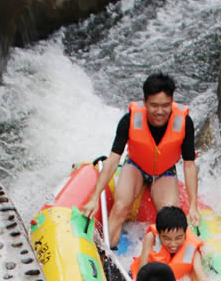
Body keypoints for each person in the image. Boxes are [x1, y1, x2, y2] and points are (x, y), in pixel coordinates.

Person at [82, 72, 199, 248]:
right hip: (136, 165)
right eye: (154, 105)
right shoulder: (129, 120)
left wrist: (193, 205)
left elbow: (189, 166)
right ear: (144, 103)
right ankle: (105, 253)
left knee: (170, 216)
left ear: (172, 102)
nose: (160, 111)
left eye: (166, 105)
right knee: (121, 206)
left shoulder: (184, 122)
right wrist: (94, 197)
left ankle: (168, 263)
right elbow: (113, 160)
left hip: (164, 170)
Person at [130, 205, 212, 281]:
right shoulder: (151, 237)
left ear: (185, 234)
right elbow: (143, 268)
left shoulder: (191, 248)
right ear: (159, 234)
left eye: (178, 238)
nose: (173, 244)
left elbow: (201, 274)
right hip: (151, 278)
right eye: (167, 239)